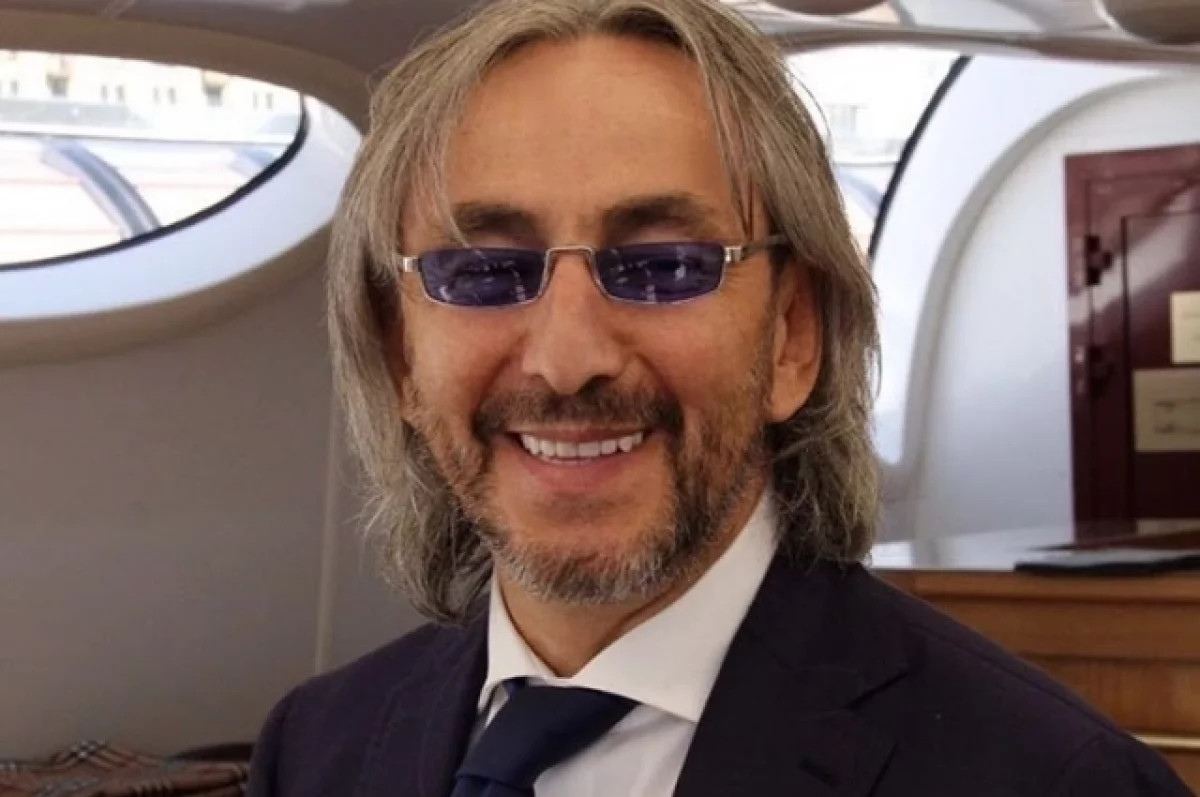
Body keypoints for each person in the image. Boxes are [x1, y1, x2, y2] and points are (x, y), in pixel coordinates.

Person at [246, 0, 1192, 794]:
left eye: (664, 264)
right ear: (401, 356)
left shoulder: (1056, 779)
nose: (568, 360)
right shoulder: (317, 748)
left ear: (791, 337)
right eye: (484, 271)